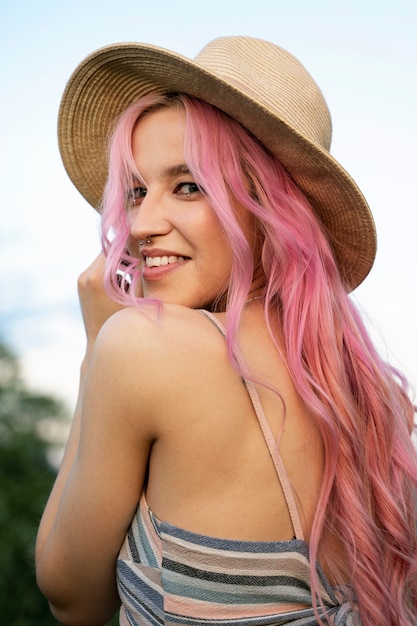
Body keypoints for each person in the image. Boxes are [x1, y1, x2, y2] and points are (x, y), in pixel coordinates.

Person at [35, 36, 417, 626]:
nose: (139, 223)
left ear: (269, 208)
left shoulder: (143, 347)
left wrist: (95, 352)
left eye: (188, 186)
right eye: (137, 190)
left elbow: (71, 598)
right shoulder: (375, 399)